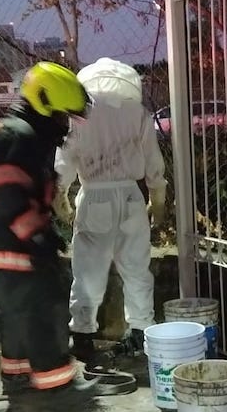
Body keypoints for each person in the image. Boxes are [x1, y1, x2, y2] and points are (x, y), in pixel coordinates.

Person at [0, 61, 135, 396]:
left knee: (17, 311)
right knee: (47, 304)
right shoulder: (19, 136)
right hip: (7, 244)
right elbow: (9, 194)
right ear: (45, 107)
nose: (65, 124)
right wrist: (37, 237)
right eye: (63, 115)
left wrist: (42, 230)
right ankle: (57, 381)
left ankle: (16, 376)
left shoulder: (18, 131)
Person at [53, 58, 167, 370]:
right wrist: (158, 202)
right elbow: (155, 166)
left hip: (94, 197)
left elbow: (62, 166)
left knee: (89, 269)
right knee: (136, 268)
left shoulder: (79, 116)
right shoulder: (138, 113)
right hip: (132, 196)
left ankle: (83, 335)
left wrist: (60, 197)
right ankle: (143, 331)